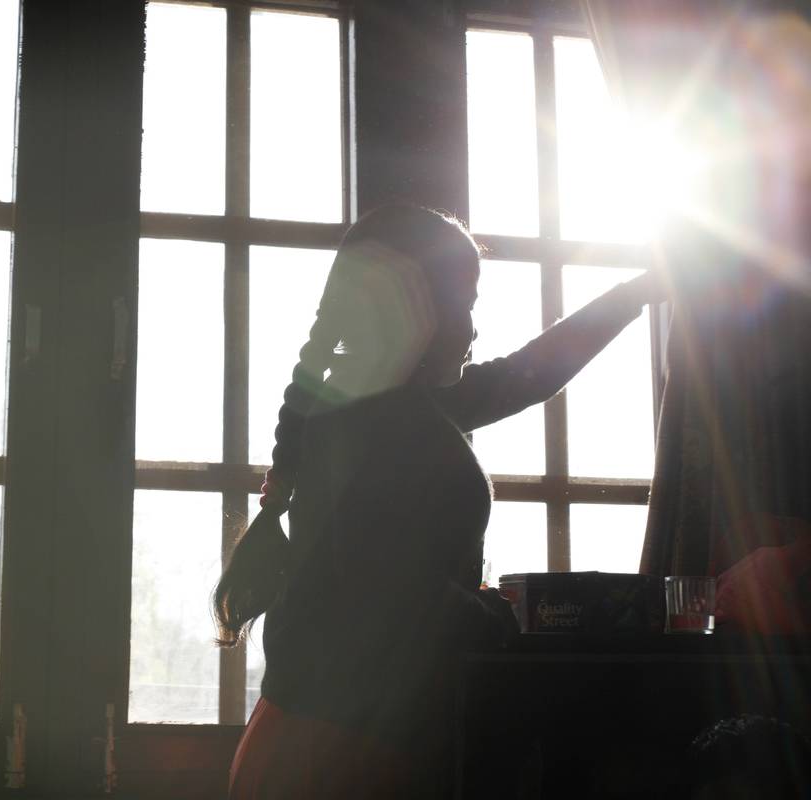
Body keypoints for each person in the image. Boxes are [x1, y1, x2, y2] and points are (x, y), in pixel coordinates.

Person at [213, 205, 662, 798]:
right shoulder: (379, 417)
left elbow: (528, 374)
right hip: (341, 760)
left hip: (314, 744)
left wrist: (638, 292)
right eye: (465, 304)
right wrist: (503, 614)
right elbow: (396, 595)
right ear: (410, 304)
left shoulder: (380, 401)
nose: (474, 330)